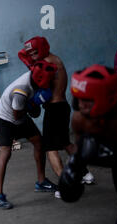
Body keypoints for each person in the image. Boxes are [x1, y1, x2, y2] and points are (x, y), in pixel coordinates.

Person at [58, 65, 117, 224]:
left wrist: (112, 156)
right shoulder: (80, 120)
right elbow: (82, 151)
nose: (82, 106)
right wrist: (74, 170)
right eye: (79, 98)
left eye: (89, 99)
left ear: (109, 97)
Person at [19, 36, 95, 194]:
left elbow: (43, 91)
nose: (32, 56)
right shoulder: (54, 59)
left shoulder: (46, 64)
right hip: (63, 107)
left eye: (34, 52)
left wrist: (32, 101)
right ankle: (86, 174)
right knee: (66, 143)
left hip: (54, 109)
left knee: (50, 148)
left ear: (42, 48)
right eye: (30, 53)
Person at [0, 60, 58, 209]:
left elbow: (34, 114)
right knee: (6, 152)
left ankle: (41, 182)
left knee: (39, 142)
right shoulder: (21, 90)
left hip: (21, 114)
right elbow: (16, 116)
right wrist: (33, 104)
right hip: (6, 117)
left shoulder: (38, 79)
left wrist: (37, 104)